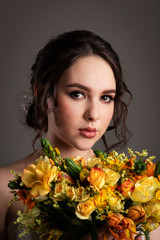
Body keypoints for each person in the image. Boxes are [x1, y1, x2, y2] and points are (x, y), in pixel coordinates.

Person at [0, 30, 158, 240]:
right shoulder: (4, 187)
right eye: (77, 94)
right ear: (42, 93)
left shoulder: (139, 190)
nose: (93, 114)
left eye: (106, 97)